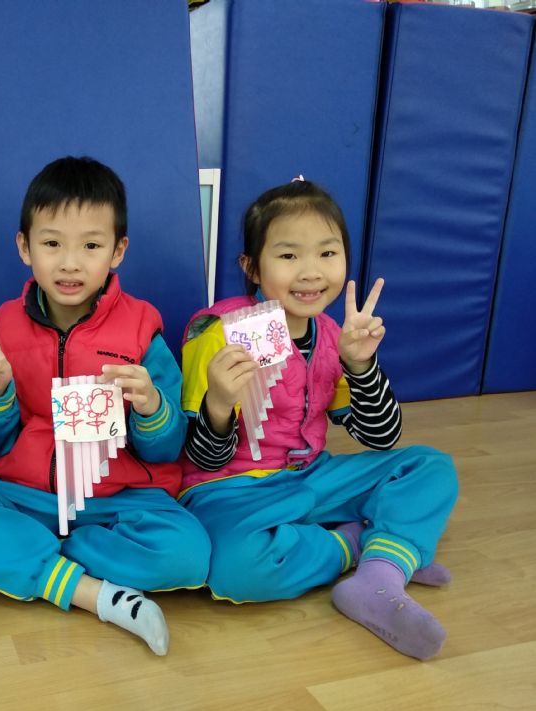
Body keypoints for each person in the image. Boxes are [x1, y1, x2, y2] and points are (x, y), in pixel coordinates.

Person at [0, 156, 209, 656]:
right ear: (25, 247)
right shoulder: (5, 325)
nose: (70, 263)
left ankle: (18, 559)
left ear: (118, 251)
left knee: (189, 552)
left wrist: (151, 408)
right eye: (52, 244)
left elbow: (165, 450)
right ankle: (92, 592)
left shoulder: (143, 326)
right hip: (26, 497)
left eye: (91, 246)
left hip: (118, 504)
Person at [179, 177, 458, 660]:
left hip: (312, 476)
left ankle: (377, 578)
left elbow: (381, 437)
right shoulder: (217, 332)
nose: (310, 272)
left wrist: (360, 366)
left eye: (327, 253)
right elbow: (199, 456)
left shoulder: (332, 335)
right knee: (238, 568)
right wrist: (220, 404)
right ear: (251, 267)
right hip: (230, 490)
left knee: (429, 467)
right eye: (288, 255)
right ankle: (366, 546)